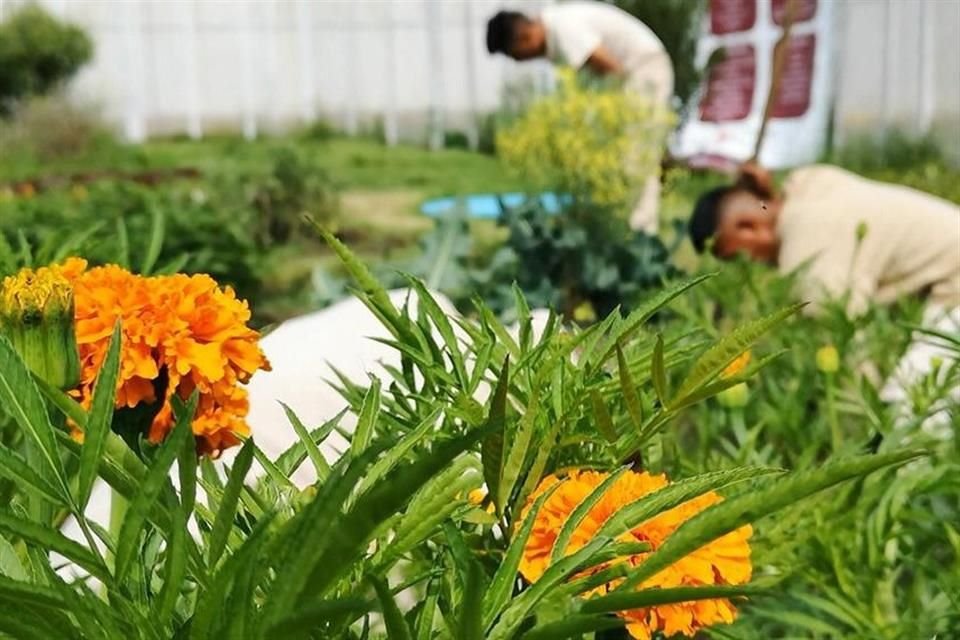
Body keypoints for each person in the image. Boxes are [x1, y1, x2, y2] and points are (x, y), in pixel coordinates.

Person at [688, 162, 960, 432]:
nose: (751, 265)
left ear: (747, 227)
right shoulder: (810, 187)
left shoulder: (808, 247)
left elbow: (846, 344)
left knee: (912, 413)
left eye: (737, 256)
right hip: (947, 282)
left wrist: (862, 430)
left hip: (954, 287)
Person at [486, 2, 674, 234]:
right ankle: (616, 229)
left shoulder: (563, 30)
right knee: (616, 160)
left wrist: (605, 116)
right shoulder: (556, 31)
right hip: (630, 77)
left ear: (524, 37)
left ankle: (642, 236)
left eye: (516, 55)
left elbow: (611, 68)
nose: (520, 61)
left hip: (643, 70)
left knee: (636, 161)